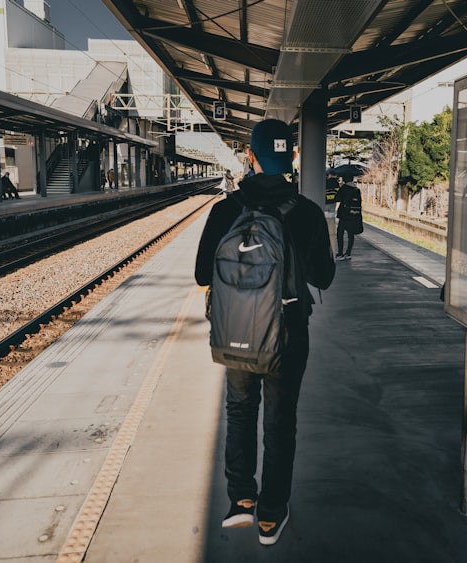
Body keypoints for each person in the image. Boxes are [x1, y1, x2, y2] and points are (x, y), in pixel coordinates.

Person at [194, 118, 335, 546]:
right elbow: (324, 278)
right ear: (291, 156)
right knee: (279, 421)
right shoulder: (307, 212)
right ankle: (271, 516)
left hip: (237, 331)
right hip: (288, 333)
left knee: (239, 412)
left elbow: (202, 273)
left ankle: (241, 501)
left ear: (251, 157)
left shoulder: (225, 210)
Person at [334, 172, 363, 260]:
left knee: (340, 234)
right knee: (351, 234)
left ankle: (340, 253)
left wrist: (340, 189)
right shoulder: (357, 190)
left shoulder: (344, 188)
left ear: (344, 180)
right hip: (354, 215)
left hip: (344, 215)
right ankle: (348, 253)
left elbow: (337, 198)